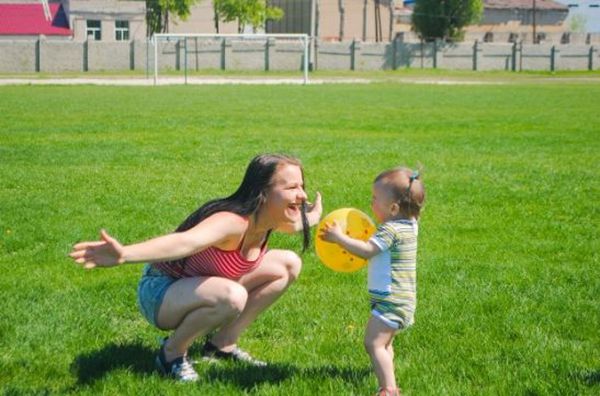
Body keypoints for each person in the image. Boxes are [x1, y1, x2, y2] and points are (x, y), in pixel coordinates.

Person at [70, 153, 322, 382]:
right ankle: (171, 354)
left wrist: (314, 217)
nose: (302, 195)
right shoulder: (232, 223)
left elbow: (297, 224)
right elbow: (184, 242)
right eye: (291, 187)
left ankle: (221, 344)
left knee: (289, 263)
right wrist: (124, 254)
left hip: (200, 288)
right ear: (262, 192)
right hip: (160, 292)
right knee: (232, 296)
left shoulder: (270, 220)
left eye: (302, 186)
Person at [319, 167, 425, 396]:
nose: (371, 202)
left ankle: (388, 389)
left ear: (394, 208)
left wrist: (339, 237)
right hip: (401, 299)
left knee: (373, 343)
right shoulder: (410, 225)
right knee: (385, 344)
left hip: (391, 300)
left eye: (375, 199)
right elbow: (415, 211)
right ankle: (386, 374)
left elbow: (367, 251)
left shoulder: (390, 230)